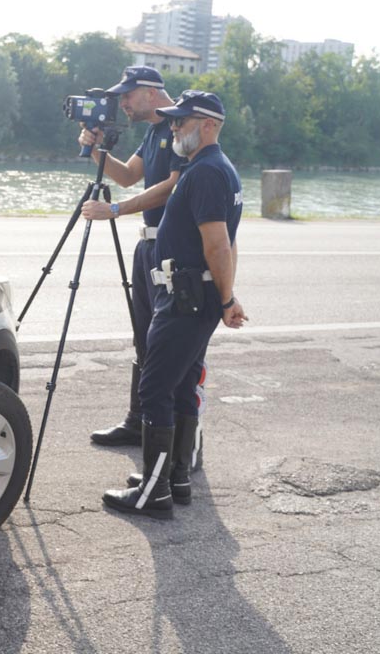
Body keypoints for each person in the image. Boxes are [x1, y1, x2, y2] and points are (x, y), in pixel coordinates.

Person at [102, 90, 247, 519]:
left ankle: (154, 490)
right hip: (197, 295)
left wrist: (226, 298)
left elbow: (218, 244)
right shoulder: (217, 169)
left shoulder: (204, 173)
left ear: (207, 125)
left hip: (187, 296)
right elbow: (230, 243)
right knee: (181, 387)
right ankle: (175, 477)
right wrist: (226, 297)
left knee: (155, 388)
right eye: (172, 121)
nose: (174, 128)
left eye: (181, 122)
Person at [77, 66, 203, 451]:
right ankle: (139, 423)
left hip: (175, 249)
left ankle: (184, 440)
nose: (123, 103)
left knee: (175, 348)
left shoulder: (182, 126)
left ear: (150, 92)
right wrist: (97, 150)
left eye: (128, 95)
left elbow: (173, 187)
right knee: (145, 338)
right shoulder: (153, 132)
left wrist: (116, 211)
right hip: (147, 246)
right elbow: (130, 176)